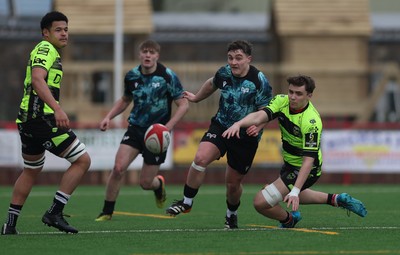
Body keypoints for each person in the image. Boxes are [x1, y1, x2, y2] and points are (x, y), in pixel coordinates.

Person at [222, 74, 367, 228]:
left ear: (309, 96)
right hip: (290, 164)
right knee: (285, 192)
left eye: (298, 94)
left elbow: (308, 161)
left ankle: (289, 220)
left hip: (307, 169)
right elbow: (260, 115)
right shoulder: (282, 101)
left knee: (260, 202)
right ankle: (337, 199)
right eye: (291, 92)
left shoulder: (311, 122)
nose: (292, 97)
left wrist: (296, 190)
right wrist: (239, 124)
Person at [166, 40, 273, 229]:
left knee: (232, 184)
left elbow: (266, 109)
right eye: (230, 58)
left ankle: (231, 213)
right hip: (221, 126)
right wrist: (197, 98)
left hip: (246, 136)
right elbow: (211, 83)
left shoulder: (259, 80)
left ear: (249, 59)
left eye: (238, 58)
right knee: (200, 158)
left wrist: (259, 125)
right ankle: (186, 202)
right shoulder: (224, 72)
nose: (234, 62)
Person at [1, 11, 91, 235]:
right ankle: (54, 212)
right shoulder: (45, 49)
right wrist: (58, 109)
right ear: (46, 33)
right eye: (58, 30)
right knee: (82, 160)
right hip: (41, 119)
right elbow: (37, 79)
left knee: (31, 169)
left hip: (28, 120)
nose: (64, 34)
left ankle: (10, 225)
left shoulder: (49, 51)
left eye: (66, 29)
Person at [95, 40, 189, 221]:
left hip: (157, 135)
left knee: (145, 183)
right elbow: (125, 100)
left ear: (157, 56)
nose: (147, 55)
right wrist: (108, 117)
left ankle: (158, 185)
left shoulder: (167, 76)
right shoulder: (132, 76)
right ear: (139, 54)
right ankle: (107, 211)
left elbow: (183, 105)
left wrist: (167, 128)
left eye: (151, 52)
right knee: (117, 168)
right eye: (144, 52)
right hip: (136, 129)